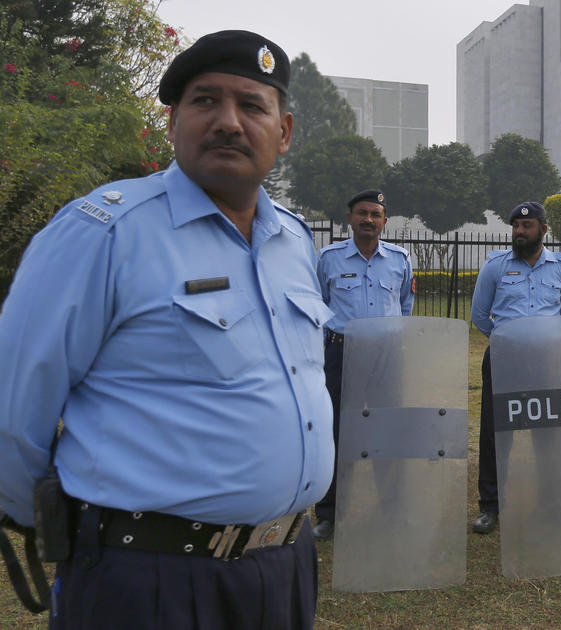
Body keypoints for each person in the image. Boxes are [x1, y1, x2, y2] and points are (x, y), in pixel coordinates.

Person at [0, 31, 331, 629]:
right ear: (172, 121)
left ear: (283, 132)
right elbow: (14, 400)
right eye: (205, 101)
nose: (229, 122)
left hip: (283, 566)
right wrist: (49, 524)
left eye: (252, 105)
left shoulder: (294, 241)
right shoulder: (104, 231)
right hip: (149, 579)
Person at [311, 189, 414, 540]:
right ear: (350, 218)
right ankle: (329, 513)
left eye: (376, 214)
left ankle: (392, 507)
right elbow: (318, 305)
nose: (369, 220)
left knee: (388, 430)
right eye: (362, 213)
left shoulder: (400, 258)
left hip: (386, 356)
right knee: (337, 431)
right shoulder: (328, 258)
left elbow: (405, 304)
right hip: (342, 353)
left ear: (385, 221)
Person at [469, 201, 561, 534]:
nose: (519, 231)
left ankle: (551, 501)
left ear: (543, 230)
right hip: (505, 359)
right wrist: (506, 342)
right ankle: (491, 506)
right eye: (516, 225)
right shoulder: (495, 266)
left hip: (547, 361)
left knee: (549, 433)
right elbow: (478, 315)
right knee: (496, 433)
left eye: (527, 226)